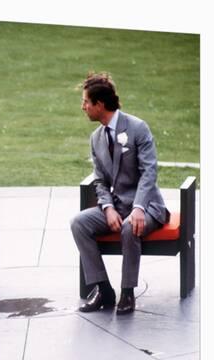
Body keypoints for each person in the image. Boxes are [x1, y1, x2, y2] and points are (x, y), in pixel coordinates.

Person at [70, 72, 169, 315]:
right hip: (117, 207)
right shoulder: (96, 138)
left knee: (129, 227)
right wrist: (107, 207)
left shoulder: (137, 128)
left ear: (99, 105)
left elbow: (149, 172)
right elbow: (100, 181)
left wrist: (138, 208)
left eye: (86, 102)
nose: (83, 107)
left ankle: (127, 292)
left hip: (148, 208)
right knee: (79, 223)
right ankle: (103, 289)